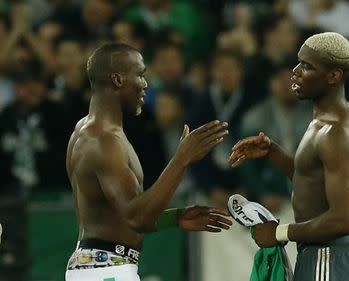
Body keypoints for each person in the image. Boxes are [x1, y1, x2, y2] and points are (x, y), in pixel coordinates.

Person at [65, 43, 232, 281]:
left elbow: (120, 216)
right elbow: (137, 218)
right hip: (107, 268)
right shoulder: (103, 140)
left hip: (99, 265)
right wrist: (181, 160)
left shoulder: (88, 130)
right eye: (141, 75)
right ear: (117, 80)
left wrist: (175, 217)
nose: (145, 84)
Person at [229, 32, 349, 281]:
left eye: (306, 66)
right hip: (324, 256)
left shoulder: (335, 131)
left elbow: (343, 219)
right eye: (298, 62)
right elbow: (312, 182)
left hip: (329, 257)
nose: (294, 72)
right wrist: (273, 152)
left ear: (333, 76)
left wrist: (279, 233)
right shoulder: (327, 118)